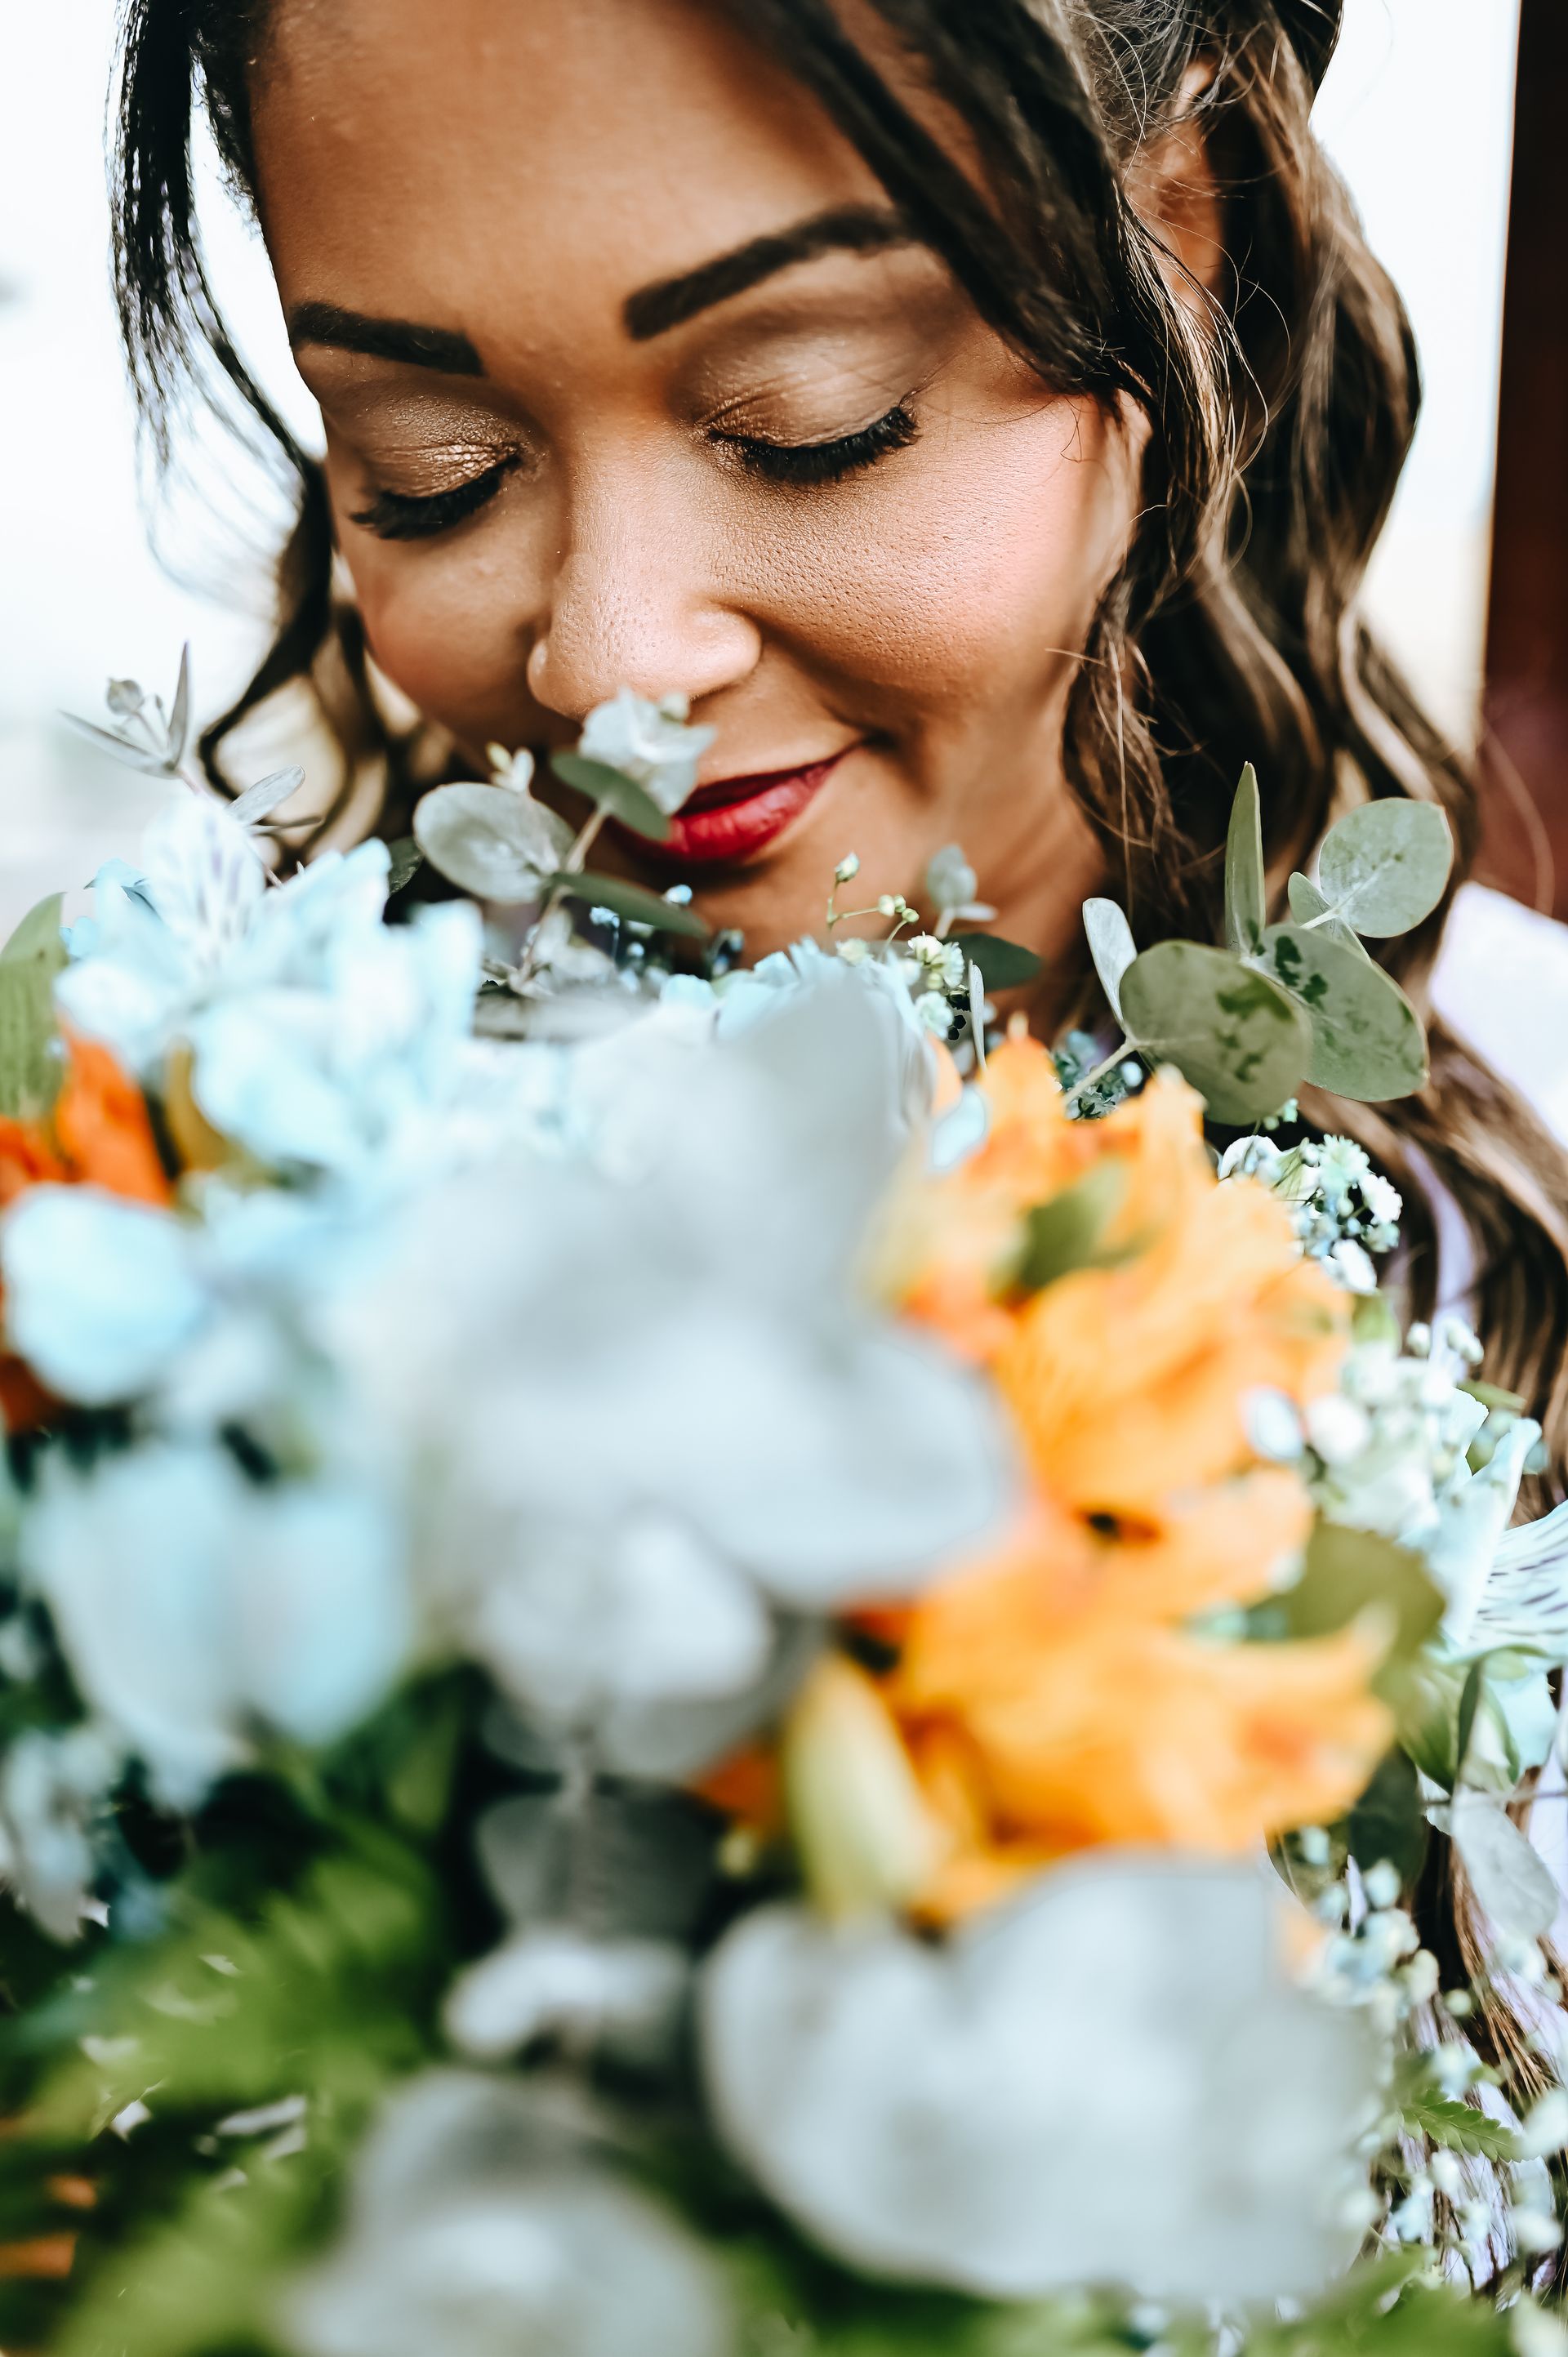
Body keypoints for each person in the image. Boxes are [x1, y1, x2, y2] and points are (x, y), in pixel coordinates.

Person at [111, 0, 1568, 2215]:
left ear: (1176, 243)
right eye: (432, 460)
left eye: (811, 424)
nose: (606, 658)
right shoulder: (196, 1217)